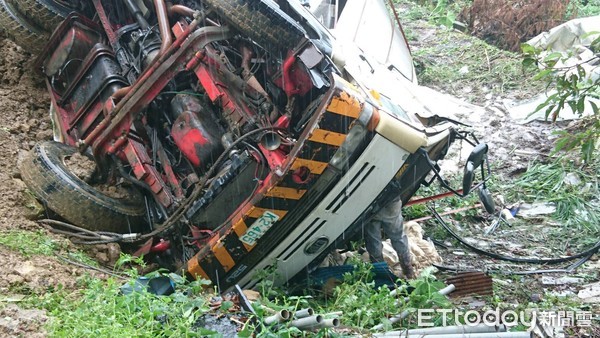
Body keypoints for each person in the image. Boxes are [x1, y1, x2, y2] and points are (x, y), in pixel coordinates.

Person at [365, 194, 415, 279]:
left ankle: (381, 273)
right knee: (398, 237)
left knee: (374, 242)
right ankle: (408, 270)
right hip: (391, 200)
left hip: (370, 204)